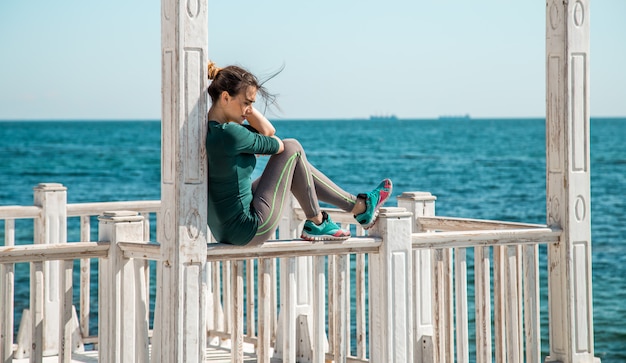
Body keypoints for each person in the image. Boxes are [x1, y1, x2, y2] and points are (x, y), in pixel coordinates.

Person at [205, 61, 392, 246]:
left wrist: (245, 101)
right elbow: (277, 143)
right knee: (292, 147)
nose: (249, 110)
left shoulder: (214, 130)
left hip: (224, 230)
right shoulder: (231, 133)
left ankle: (359, 206)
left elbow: (267, 132)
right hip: (248, 228)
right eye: (247, 103)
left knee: (292, 165)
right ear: (226, 97)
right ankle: (319, 220)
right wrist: (247, 106)